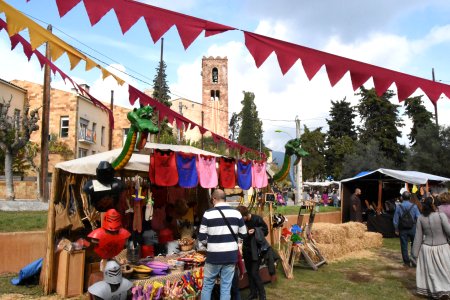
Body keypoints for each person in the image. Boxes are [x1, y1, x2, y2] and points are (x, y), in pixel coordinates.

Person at [198, 189, 247, 300]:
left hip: (213, 256)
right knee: (226, 287)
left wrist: (211, 244)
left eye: (212, 200)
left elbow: (201, 238)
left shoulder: (208, 214)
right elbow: (244, 234)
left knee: (207, 286)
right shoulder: (236, 213)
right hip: (230, 256)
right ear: (225, 199)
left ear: (214, 199)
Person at [412, 196, 450, 299]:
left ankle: (435, 290)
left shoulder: (420, 218)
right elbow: (449, 231)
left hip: (427, 248)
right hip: (442, 247)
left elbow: (418, 237)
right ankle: (444, 291)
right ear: (434, 204)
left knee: (432, 272)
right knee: (445, 270)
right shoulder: (441, 215)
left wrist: (414, 253)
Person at [236, 206, 269, 300]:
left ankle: (262, 295)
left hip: (256, 251)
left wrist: (255, 230)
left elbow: (266, 231)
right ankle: (253, 293)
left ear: (245, 215)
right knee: (250, 273)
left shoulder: (257, 219)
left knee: (254, 273)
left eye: (241, 217)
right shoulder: (242, 222)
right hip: (246, 250)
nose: (240, 220)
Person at [393, 191, 421, 267]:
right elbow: (418, 217)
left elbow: (395, 219)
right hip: (413, 227)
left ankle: (406, 262)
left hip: (402, 228)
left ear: (402, 197)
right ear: (410, 198)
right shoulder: (414, 206)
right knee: (414, 244)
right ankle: (413, 259)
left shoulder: (398, 206)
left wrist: (396, 229)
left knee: (404, 245)